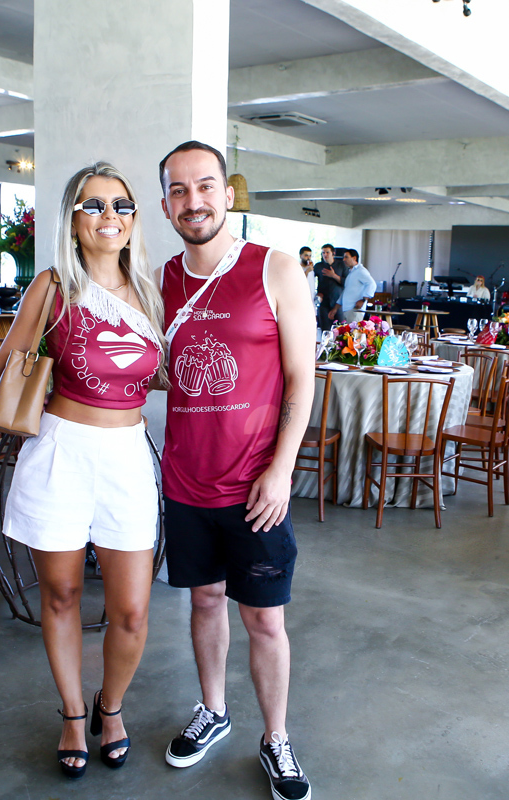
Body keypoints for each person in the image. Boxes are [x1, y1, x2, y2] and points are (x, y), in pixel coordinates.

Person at [0, 162, 164, 780]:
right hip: (62, 452)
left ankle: (110, 705)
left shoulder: (151, 293)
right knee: (62, 595)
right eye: (94, 205)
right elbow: (3, 368)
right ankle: (72, 713)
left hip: (127, 458)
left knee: (131, 612)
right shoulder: (53, 286)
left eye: (121, 205)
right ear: (72, 219)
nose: (109, 217)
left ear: (133, 218)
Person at [157, 141, 315, 800]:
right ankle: (214, 710)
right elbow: (158, 373)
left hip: (255, 488)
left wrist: (282, 470)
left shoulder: (275, 268)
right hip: (185, 481)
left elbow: (302, 379)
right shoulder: (161, 281)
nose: (193, 201)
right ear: (165, 203)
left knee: (265, 621)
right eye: (179, 189)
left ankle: (276, 737)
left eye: (205, 186)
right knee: (203, 601)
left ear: (227, 194)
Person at [314, 243, 347, 326]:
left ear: (333, 253)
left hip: (338, 303)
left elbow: (347, 282)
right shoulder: (318, 266)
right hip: (323, 303)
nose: (325, 254)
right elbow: (309, 281)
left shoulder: (341, 265)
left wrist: (334, 276)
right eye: (323, 253)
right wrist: (316, 294)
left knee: (340, 328)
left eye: (327, 252)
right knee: (324, 329)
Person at [339, 248, 376, 323]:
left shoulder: (360, 271)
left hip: (355, 310)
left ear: (354, 258)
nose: (344, 260)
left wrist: (363, 300)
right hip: (348, 310)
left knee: (354, 330)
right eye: (344, 257)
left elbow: (372, 284)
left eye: (346, 257)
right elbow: (347, 291)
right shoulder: (351, 272)